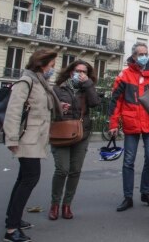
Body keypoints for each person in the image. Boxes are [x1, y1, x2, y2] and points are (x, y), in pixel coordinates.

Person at [3, 49, 63, 242]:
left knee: (23, 179)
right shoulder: (27, 81)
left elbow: (41, 107)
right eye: (52, 65)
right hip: (27, 138)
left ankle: (13, 219)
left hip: (36, 138)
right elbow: (13, 111)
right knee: (30, 178)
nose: (53, 69)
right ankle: (11, 230)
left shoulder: (40, 82)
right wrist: (11, 139)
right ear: (41, 63)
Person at [108, 42, 149, 212]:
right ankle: (128, 197)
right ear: (133, 56)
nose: (144, 56)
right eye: (140, 54)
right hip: (131, 122)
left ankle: (145, 192)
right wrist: (113, 124)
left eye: (146, 53)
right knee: (128, 161)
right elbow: (115, 101)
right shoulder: (124, 75)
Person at [49, 60, 100, 221]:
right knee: (62, 169)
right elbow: (48, 108)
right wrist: (59, 107)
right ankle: (55, 204)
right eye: (78, 71)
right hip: (61, 132)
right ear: (71, 71)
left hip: (81, 133)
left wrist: (89, 86)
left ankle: (67, 204)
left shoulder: (87, 89)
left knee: (75, 170)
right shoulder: (58, 88)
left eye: (84, 72)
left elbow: (95, 104)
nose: (81, 74)